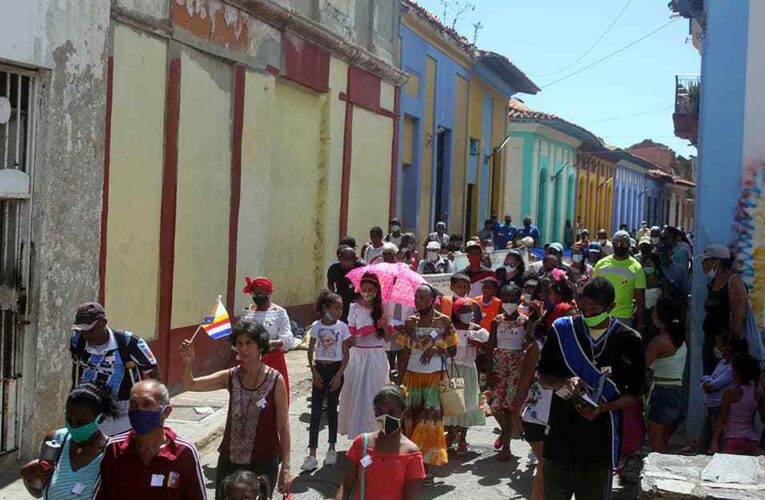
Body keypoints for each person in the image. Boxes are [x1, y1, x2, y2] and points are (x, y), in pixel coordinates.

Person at [538, 278, 646, 500]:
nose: (588, 315)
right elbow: (543, 378)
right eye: (584, 309)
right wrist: (564, 382)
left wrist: (605, 407)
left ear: (611, 307)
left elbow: (635, 392)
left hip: (599, 445)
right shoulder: (562, 330)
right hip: (560, 440)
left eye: (594, 310)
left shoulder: (629, 340)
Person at [180, 322, 291, 498]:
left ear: (260, 346)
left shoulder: (275, 380)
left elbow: (283, 426)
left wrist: (286, 467)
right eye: (239, 343)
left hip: (263, 461)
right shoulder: (230, 376)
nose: (243, 348)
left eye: (249, 343)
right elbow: (190, 384)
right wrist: (188, 363)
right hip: (229, 461)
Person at [94, 380, 206, 499]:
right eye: (134, 405)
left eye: (146, 404)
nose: (138, 411)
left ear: (166, 412)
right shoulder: (115, 448)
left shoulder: (184, 452)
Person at [396, 284, 458, 483]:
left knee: (430, 423)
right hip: (412, 378)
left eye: (423, 298)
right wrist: (398, 380)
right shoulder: (409, 322)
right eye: (417, 297)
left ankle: (426, 467)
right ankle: (410, 464)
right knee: (410, 421)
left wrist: (436, 350)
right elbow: (404, 354)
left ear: (433, 300)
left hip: (434, 378)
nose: (418, 301)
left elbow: (453, 351)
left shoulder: (444, 321)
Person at [69, 302, 160, 436]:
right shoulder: (78, 339)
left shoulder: (129, 342)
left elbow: (153, 374)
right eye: (81, 330)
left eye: (90, 329)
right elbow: (76, 366)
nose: (85, 334)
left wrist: (152, 406)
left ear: (104, 322)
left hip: (121, 409)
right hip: (88, 406)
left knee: (118, 449)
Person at [20, 383, 117, 499]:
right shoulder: (55, 441)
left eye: (81, 422)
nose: (74, 426)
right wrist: (28, 477)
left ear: (100, 419)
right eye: (69, 420)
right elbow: (39, 492)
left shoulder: (111, 453)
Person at [335, 386, 426, 500]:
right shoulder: (362, 443)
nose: (385, 416)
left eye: (391, 412)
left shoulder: (411, 453)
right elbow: (348, 484)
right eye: (380, 412)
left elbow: (411, 495)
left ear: (403, 412)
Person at [302, 291, 351, 471]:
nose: (339, 311)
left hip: (335, 370)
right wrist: (313, 371)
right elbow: (310, 349)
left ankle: (331, 448)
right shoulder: (316, 326)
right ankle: (312, 454)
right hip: (320, 371)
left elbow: (346, 354)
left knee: (332, 410)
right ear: (326, 308)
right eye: (336, 308)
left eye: (341, 308)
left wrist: (339, 375)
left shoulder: (343, 327)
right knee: (315, 413)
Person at [339, 274, 391, 439]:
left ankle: (376, 432)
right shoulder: (354, 307)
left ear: (376, 290)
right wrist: (363, 331)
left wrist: (384, 327)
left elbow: (388, 339)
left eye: (370, 290)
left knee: (375, 394)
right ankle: (358, 433)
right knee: (356, 394)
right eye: (364, 290)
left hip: (376, 356)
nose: (367, 293)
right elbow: (350, 336)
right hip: (358, 356)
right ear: (359, 290)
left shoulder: (383, 308)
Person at [487, 284, 529, 461]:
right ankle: (505, 432)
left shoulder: (525, 321)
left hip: (516, 366)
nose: (508, 304)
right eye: (505, 300)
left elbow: (530, 344)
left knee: (510, 405)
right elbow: (490, 346)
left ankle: (507, 447)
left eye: (512, 301)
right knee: (495, 405)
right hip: (499, 365)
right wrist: (489, 370)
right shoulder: (496, 321)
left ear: (518, 301)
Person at [444, 298, 490, 454]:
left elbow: (487, 349)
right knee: (450, 403)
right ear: (456, 313)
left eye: (469, 310)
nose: (467, 314)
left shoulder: (477, 330)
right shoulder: (450, 329)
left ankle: (463, 437)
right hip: (451, 369)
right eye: (463, 311)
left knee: (467, 404)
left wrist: (479, 344)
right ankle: (450, 433)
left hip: (469, 370)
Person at [645, 298, 688, 452]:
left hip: (663, 396)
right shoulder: (680, 340)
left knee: (657, 451)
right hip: (678, 396)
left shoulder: (660, 341)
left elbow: (641, 366)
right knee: (663, 447)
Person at [242, 276, 293, 401]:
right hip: (250, 361)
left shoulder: (279, 312)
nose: (258, 296)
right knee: (250, 397)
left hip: (273, 360)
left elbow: (287, 338)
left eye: (261, 293)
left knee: (273, 397)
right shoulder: (247, 313)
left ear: (269, 292)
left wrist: (270, 344)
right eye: (255, 293)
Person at [701, 244, 747, 375]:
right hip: (710, 344)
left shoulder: (734, 281)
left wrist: (729, 346)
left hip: (725, 348)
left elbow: (739, 315)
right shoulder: (711, 284)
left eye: (706, 260)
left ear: (718, 262)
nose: (703, 264)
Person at [712, 354, 765, 455]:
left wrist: (714, 442)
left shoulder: (730, 394)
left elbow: (721, 419)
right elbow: (763, 419)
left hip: (733, 439)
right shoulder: (758, 394)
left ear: (735, 373)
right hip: (752, 439)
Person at [593, 231, 646, 330]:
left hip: (624, 318)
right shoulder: (601, 264)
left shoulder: (636, 268)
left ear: (629, 246)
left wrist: (642, 323)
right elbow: (593, 292)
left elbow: (640, 299)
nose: (620, 247)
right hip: (602, 316)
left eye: (624, 244)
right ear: (613, 244)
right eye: (617, 244)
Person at [327, 245, 366, 322]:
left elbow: (367, 283)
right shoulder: (334, 268)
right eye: (344, 259)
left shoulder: (361, 267)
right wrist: (334, 294)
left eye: (349, 259)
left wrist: (361, 297)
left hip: (357, 299)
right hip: (341, 297)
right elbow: (330, 282)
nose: (346, 262)